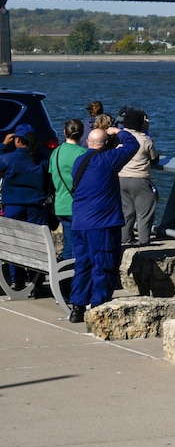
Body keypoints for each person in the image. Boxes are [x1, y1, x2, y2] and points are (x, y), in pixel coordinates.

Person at [68, 126, 140, 323]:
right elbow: (132, 144)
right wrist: (118, 131)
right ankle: (100, 305)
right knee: (104, 264)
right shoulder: (107, 161)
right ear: (106, 144)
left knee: (83, 265)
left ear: (88, 143)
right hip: (102, 223)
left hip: (80, 222)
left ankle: (77, 305)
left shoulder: (79, 161)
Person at [0, 124, 51, 292]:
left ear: (18, 140)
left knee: (14, 244)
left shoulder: (9, 159)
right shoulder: (43, 158)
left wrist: (3, 145)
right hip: (37, 206)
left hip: (14, 206)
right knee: (37, 245)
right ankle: (37, 280)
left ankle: (19, 281)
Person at [117, 108, 159, 246]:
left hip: (121, 178)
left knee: (126, 212)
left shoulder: (118, 138)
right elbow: (154, 158)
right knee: (144, 213)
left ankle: (124, 240)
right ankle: (144, 242)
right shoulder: (145, 140)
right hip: (140, 179)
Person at [49, 119, 89, 261]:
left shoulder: (56, 153)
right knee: (80, 246)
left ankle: (66, 277)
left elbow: (52, 176)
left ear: (64, 132)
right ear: (82, 134)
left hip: (61, 204)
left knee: (69, 242)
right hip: (79, 206)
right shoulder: (84, 153)